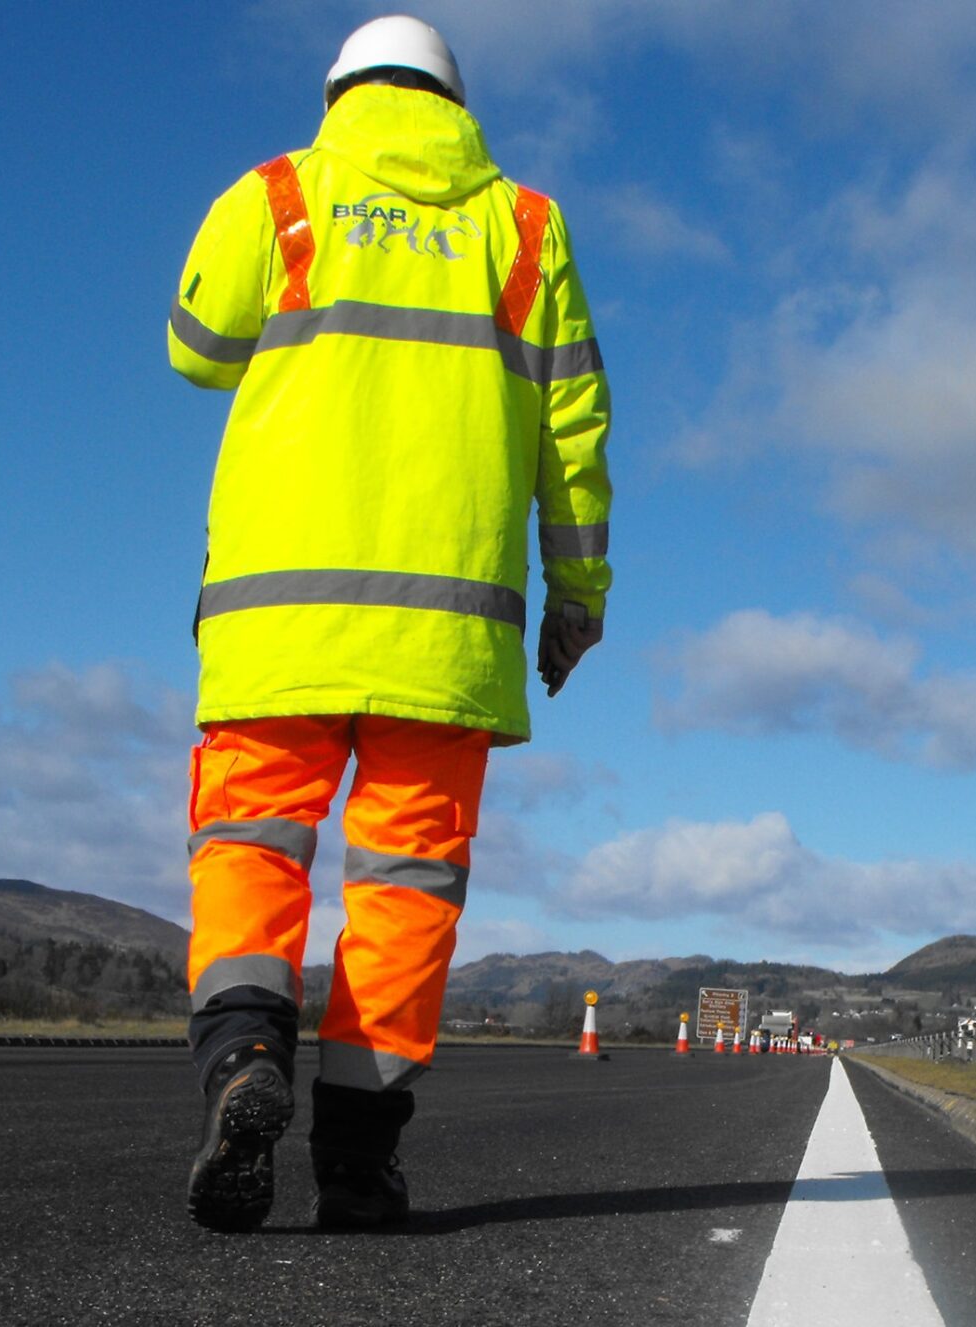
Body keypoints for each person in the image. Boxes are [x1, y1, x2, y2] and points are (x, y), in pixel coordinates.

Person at [166, 14, 611, 1231]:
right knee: (406, 891)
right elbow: (574, 433)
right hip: (448, 635)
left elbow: (194, 346)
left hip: (277, 622)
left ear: (337, 94)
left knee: (252, 848)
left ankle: (246, 1057)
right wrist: (579, 598)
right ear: (455, 104)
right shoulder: (526, 227)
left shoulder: (278, 193)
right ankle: (358, 1162)